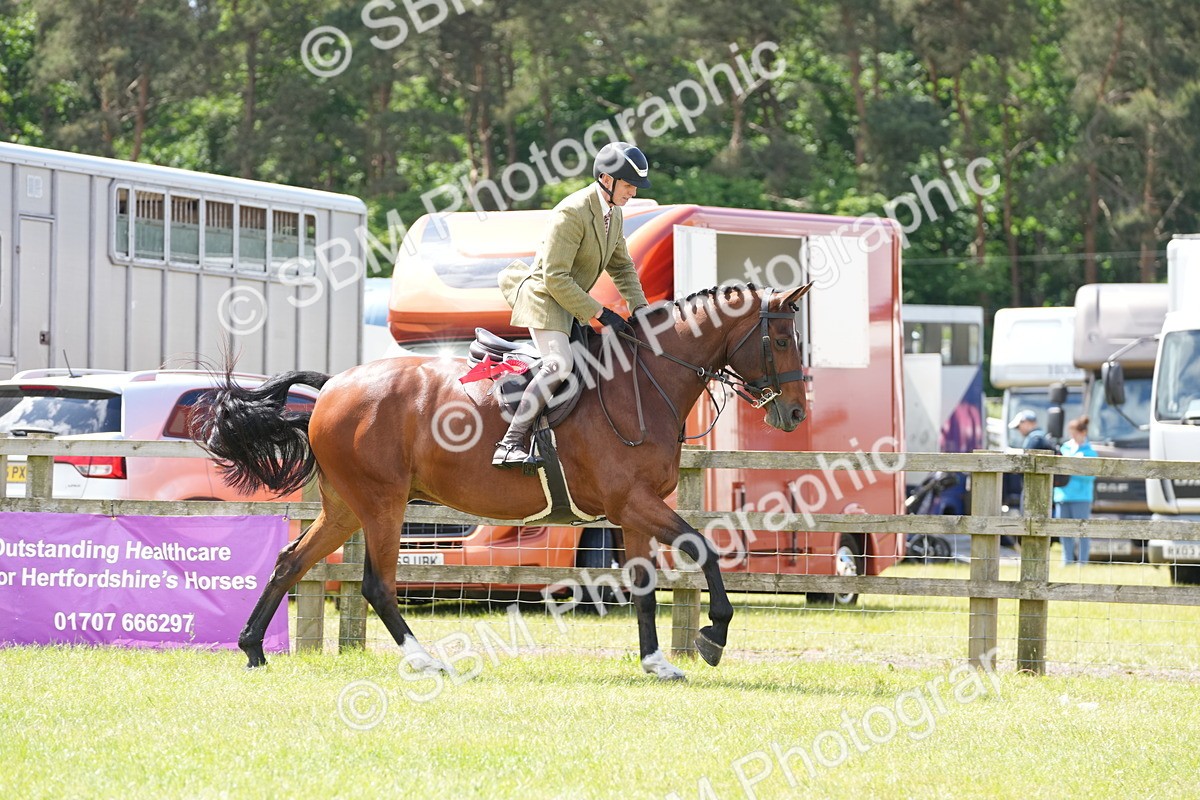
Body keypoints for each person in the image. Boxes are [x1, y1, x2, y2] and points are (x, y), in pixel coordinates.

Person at [492, 141, 651, 470]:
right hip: (546, 299)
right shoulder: (572, 211)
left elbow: (622, 268)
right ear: (606, 180)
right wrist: (600, 312)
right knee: (560, 363)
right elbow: (555, 277)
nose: (632, 192)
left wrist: (642, 312)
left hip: (570, 301)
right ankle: (510, 443)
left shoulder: (614, 215)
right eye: (628, 185)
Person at [1054, 415, 1097, 564]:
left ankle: (1083, 561)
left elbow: (1090, 476)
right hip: (1062, 495)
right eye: (1071, 433)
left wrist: (1071, 468)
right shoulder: (1064, 448)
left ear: (1083, 433)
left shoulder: (1090, 453)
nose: (1072, 436)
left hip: (1081, 497)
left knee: (1082, 531)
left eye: (1075, 433)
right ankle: (1067, 560)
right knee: (1064, 531)